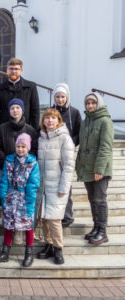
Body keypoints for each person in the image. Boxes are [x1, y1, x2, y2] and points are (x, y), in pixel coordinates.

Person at [0, 133, 40, 267]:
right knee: (9, 224)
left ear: (28, 148)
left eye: (23, 147)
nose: (20, 149)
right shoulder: (9, 160)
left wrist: (30, 199)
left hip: (24, 198)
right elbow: (4, 179)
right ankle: (5, 252)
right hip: (10, 196)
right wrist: (3, 194)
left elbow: (33, 182)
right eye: (18, 146)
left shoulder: (33, 163)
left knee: (27, 225)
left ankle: (28, 253)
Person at [35, 109, 75, 265]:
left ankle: (58, 248)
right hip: (42, 186)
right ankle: (49, 244)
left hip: (57, 186)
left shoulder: (64, 138)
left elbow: (69, 166)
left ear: (58, 121)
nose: (50, 121)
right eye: (47, 118)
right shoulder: (41, 138)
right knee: (44, 218)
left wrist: (64, 187)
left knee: (54, 220)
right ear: (43, 121)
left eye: (53, 118)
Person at [76, 92, 114, 245]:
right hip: (87, 168)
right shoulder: (86, 121)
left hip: (100, 169)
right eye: (87, 103)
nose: (90, 105)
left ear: (98, 103)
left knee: (100, 200)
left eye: (93, 102)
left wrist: (99, 169)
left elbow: (106, 147)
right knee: (92, 200)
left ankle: (103, 231)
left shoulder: (105, 121)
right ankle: (96, 227)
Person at [52, 83, 82, 227]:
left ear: (67, 97)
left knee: (66, 184)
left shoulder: (75, 112)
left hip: (68, 153)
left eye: (62, 96)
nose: (60, 99)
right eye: (57, 97)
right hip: (53, 152)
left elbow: (79, 132)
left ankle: (68, 215)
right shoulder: (50, 112)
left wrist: (70, 144)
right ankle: (56, 213)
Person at [0, 58, 40, 131]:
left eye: (16, 69)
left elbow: (35, 111)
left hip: (26, 129)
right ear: (7, 70)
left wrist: (34, 131)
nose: (13, 71)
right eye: (11, 69)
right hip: (5, 130)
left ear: (21, 71)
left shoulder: (31, 87)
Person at [0, 99, 38, 171]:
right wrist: (5, 160)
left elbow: (34, 148)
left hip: (25, 169)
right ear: (9, 111)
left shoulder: (30, 130)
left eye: (17, 108)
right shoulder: (1, 128)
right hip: (6, 168)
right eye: (12, 108)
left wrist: (25, 161)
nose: (15, 110)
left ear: (22, 110)